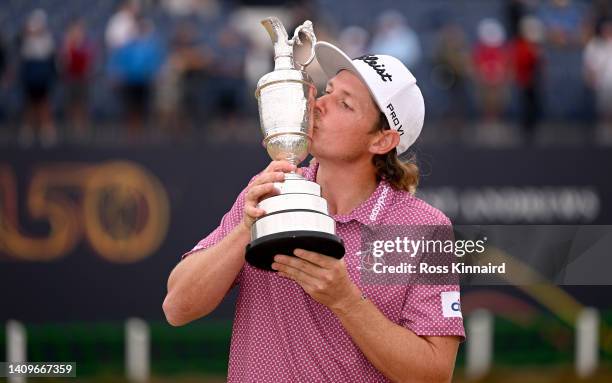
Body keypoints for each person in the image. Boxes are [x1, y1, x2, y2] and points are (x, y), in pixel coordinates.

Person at [163, 41, 464, 382]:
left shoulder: (425, 228)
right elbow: (177, 307)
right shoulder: (268, 189)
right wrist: (246, 228)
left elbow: (434, 374)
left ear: (382, 141)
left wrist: (346, 300)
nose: (319, 105)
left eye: (344, 104)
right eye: (327, 91)